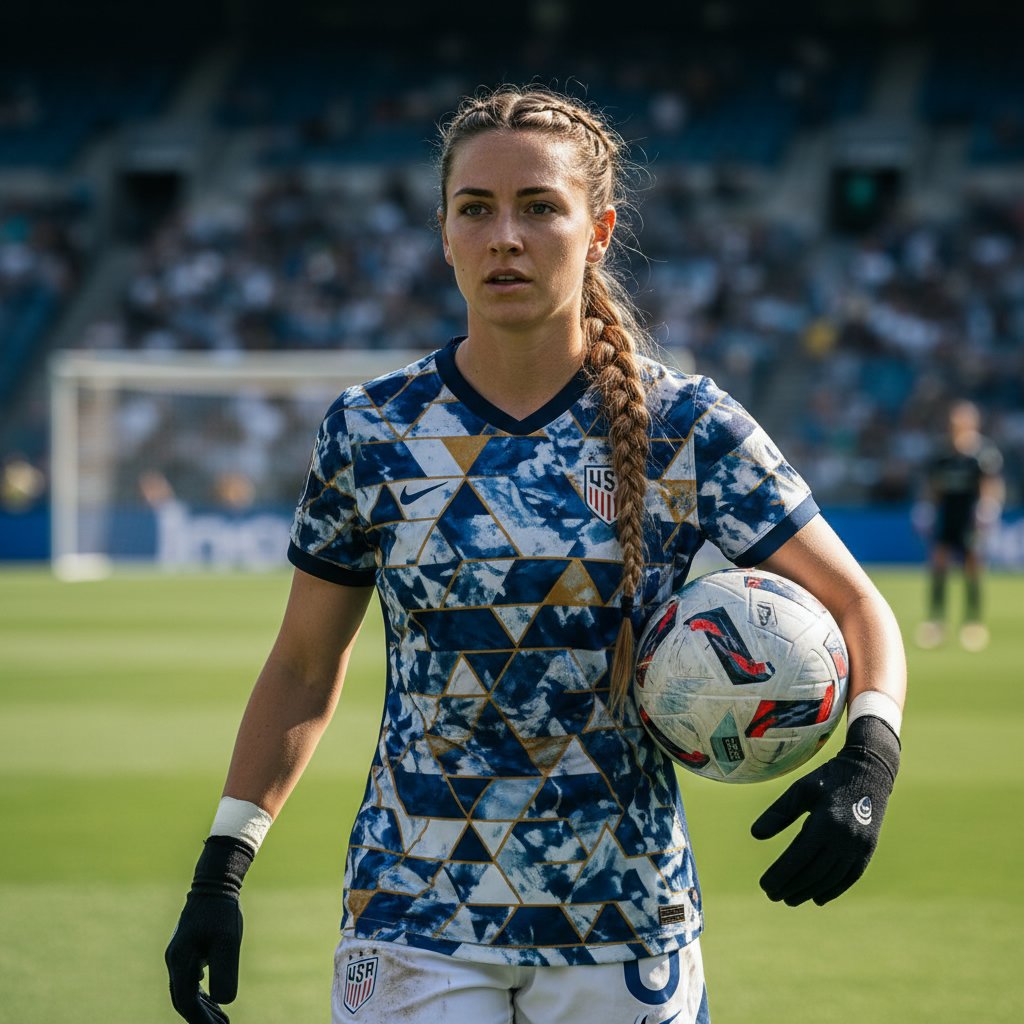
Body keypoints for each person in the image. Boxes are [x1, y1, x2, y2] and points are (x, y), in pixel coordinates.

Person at [165, 85, 907, 1024]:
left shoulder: (691, 426)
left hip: (627, 927)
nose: (504, 237)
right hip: (411, 925)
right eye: (476, 209)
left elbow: (858, 608)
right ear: (444, 234)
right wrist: (222, 869)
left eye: (538, 208)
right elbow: (306, 666)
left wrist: (868, 759)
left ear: (597, 230)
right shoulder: (372, 430)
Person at [914, 399, 1004, 651]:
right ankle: (936, 621)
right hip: (947, 516)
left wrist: (988, 507)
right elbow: (933, 487)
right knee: (938, 564)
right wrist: (926, 508)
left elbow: (991, 484)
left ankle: (973, 622)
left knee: (972, 566)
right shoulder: (942, 454)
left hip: (970, 519)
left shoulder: (982, 454)